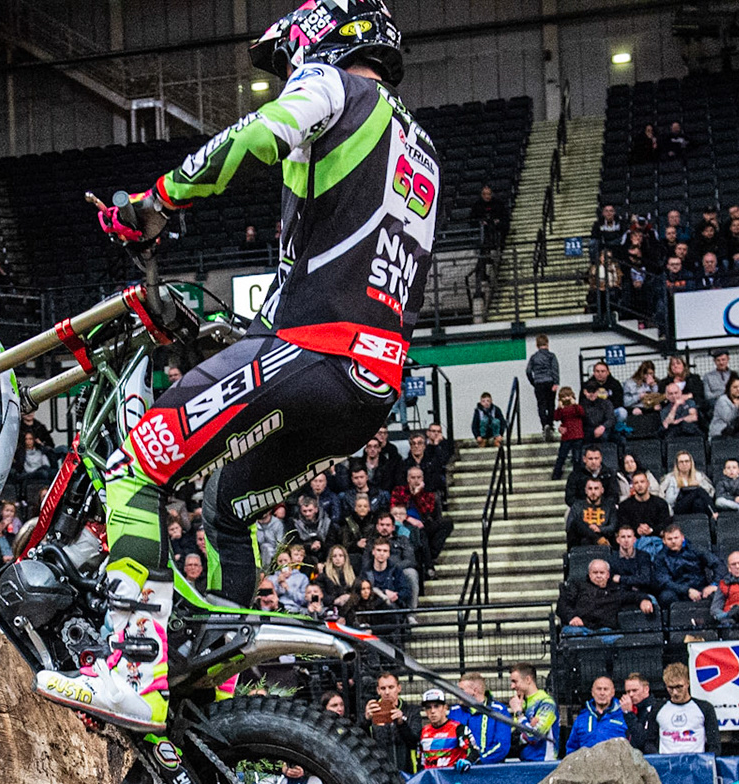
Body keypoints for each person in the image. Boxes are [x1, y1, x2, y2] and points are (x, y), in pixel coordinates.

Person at [36, 1, 438, 730]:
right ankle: (217, 698)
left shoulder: (337, 88)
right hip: (369, 385)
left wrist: (153, 203)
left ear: (320, 41)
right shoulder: (420, 147)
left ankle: (131, 665)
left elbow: (260, 133)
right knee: (225, 508)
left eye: (290, 61)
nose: (289, 75)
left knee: (136, 467)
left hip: (314, 352)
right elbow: (342, 261)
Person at [633, 662, 718, 754]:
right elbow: (649, 742)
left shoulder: (705, 708)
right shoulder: (658, 709)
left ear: (688, 683)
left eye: (679, 687)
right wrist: (661, 760)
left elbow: (714, 744)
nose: (675, 692)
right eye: (671, 688)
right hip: (668, 764)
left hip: (695, 764)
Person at [557, 558, 652, 635]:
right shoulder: (577, 586)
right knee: (573, 636)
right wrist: (572, 617)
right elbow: (562, 604)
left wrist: (644, 600)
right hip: (580, 628)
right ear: (589, 574)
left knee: (615, 640)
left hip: (605, 631)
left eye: (601, 573)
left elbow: (634, 596)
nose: (598, 576)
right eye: (595, 572)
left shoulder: (616, 590)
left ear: (608, 575)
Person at [364, 670, 421, 773]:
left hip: (407, 770)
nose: (387, 692)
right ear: (378, 690)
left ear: (399, 688)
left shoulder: (412, 711)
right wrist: (366, 721)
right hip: (380, 772)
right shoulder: (372, 711)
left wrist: (401, 723)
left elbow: (414, 741)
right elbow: (362, 741)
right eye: (383, 688)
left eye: (391, 687)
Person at [452, 671, 513, 764]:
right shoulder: (455, 711)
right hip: (460, 770)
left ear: (474, 691)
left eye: (461, 690)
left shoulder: (499, 710)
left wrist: (480, 761)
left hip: (490, 770)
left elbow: (502, 745)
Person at [564, 676, 630, 754]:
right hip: (587, 764)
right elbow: (572, 748)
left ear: (613, 692)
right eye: (599, 689)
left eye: (606, 689)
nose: (602, 693)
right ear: (592, 692)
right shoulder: (582, 719)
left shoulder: (623, 716)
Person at [507, 663, 557, 761]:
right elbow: (514, 737)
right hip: (524, 762)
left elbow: (534, 736)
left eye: (515, 681)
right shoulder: (522, 703)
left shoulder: (546, 702)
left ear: (528, 679)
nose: (512, 686)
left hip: (543, 762)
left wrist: (518, 713)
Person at [416, 688, 475, 769]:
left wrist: (468, 760)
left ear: (445, 707)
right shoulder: (422, 732)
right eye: (428, 707)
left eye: (436, 706)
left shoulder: (459, 729)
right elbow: (420, 762)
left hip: (452, 779)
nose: (432, 711)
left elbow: (474, 750)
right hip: (431, 779)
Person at [526, 334, 559, 435]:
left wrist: (533, 382)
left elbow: (528, 371)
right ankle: (550, 424)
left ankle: (544, 425)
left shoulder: (533, 357)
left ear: (537, 345)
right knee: (550, 404)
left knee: (541, 405)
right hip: (549, 382)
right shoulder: (551, 356)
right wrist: (556, 382)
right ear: (547, 343)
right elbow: (555, 369)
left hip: (538, 383)